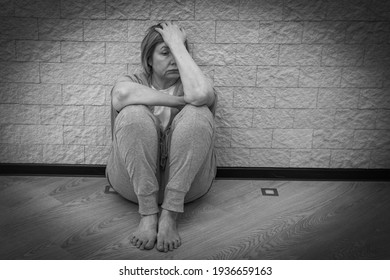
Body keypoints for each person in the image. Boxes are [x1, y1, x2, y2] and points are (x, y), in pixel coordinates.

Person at [105, 22, 217, 253]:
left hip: (188, 185)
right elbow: (122, 94)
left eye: (179, 53)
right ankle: (147, 213)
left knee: (198, 113)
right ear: (148, 59)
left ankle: (170, 215)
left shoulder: (194, 84)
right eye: (165, 53)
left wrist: (177, 44)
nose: (174, 60)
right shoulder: (134, 80)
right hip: (132, 184)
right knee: (133, 113)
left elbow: (200, 95)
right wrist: (179, 101)